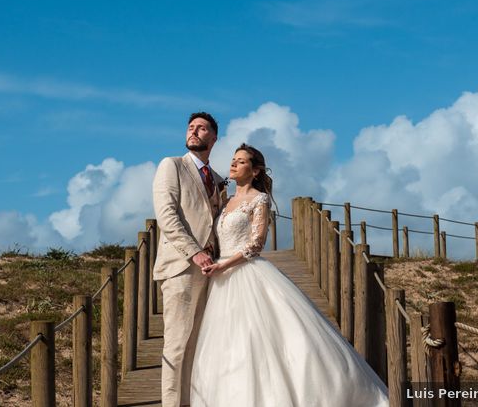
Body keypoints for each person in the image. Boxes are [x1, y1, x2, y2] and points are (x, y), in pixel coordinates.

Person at [190, 144, 390, 407]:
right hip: (221, 278)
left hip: (245, 271)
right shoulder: (225, 201)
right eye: (233, 160)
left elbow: (256, 244)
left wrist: (224, 265)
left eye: (241, 161)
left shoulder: (259, 199)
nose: (234, 164)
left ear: (255, 170)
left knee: (264, 338)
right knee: (229, 344)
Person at [152, 112, 225, 407]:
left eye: (202, 128)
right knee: (177, 342)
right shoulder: (171, 166)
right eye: (191, 127)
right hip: (181, 266)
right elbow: (167, 215)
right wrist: (194, 251)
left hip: (211, 270)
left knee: (198, 343)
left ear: (214, 137)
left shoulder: (219, 180)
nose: (194, 132)